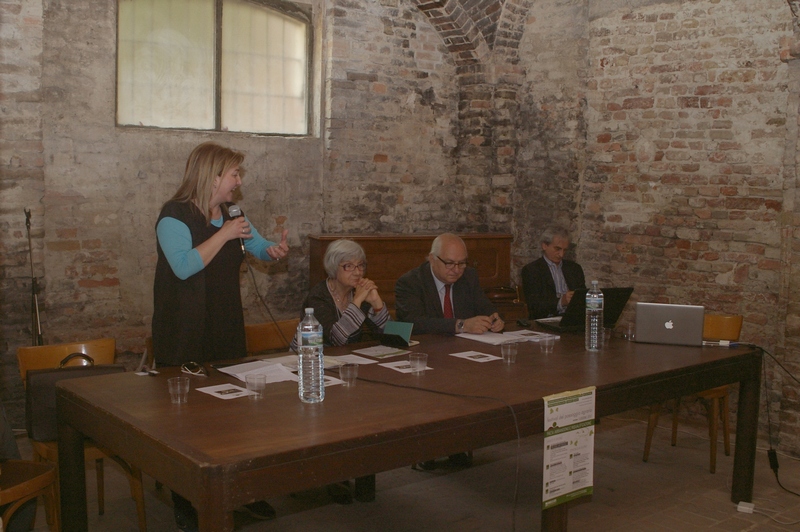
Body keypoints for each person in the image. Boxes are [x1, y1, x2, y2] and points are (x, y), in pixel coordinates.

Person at [151, 142, 288, 530]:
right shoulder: (173, 216)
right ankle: (186, 501)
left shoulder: (233, 213)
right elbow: (182, 267)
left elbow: (252, 241)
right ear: (213, 176)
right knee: (188, 423)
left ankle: (241, 493)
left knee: (233, 417)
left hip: (225, 324)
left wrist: (271, 251)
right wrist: (224, 234)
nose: (238, 182)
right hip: (184, 329)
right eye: (234, 174)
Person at [395, 233, 504, 335]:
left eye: (461, 263)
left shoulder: (468, 276)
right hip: (428, 347)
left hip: (464, 347)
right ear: (432, 259)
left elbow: (485, 307)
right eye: (449, 263)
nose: (456, 270)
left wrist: (494, 319)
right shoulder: (410, 282)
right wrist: (462, 325)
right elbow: (414, 323)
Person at [301, 239, 390, 346]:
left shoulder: (358, 291)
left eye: (360, 265)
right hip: (312, 358)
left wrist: (377, 304)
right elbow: (337, 340)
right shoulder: (318, 296)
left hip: (349, 359)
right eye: (348, 266)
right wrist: (356, 302)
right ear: (333, 267)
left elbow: (394, 338)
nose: (357, 272)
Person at [521, 226, 586, 320]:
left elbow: (582, 297)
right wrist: (561, 302)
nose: (561, 254)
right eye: (557, 249)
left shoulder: (574, 269)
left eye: (565, 250)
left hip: (571, 319)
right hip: (545, 320)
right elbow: (535, 306)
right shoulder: (532, 270)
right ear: (544, 246)